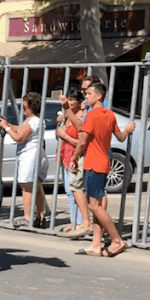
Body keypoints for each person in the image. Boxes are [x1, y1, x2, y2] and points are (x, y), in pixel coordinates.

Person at [68, 79, 136, 257]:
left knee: (95, 206)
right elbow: (120, 137)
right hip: (104, 163)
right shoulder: (110, 115)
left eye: (89, 94)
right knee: (97, 204)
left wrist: (74, 158)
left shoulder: (92, 115)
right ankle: (96, 245)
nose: (86, 96)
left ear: (99, 96)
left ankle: (117, 240)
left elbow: (82, 141)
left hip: (93, 164)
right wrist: (128, 129)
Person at [0, 92, 48, 228]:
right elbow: (21, 129)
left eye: (25, 107)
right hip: (36, 155)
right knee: (36, 187)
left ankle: (27, 216)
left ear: (32, 107)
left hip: (30, 156)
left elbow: (19, 137)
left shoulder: (34, 120)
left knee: (27, 187)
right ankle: (41, 216)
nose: (23, 110)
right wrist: (8, 124)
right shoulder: (34, 121)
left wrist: (6, 128)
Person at [54, 86, 91, 237]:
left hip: (75, 156)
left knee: (75, 190)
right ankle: (74, 221)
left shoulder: (81, 117)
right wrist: (58, 125)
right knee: (69, 191)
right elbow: (59, 135)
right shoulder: (67, 116)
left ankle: (81, 222)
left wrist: (64, 136)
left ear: (79, 101)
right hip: (65, 155)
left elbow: (81, 141)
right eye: (67, 99)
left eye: (71, 99)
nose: (68, 102)